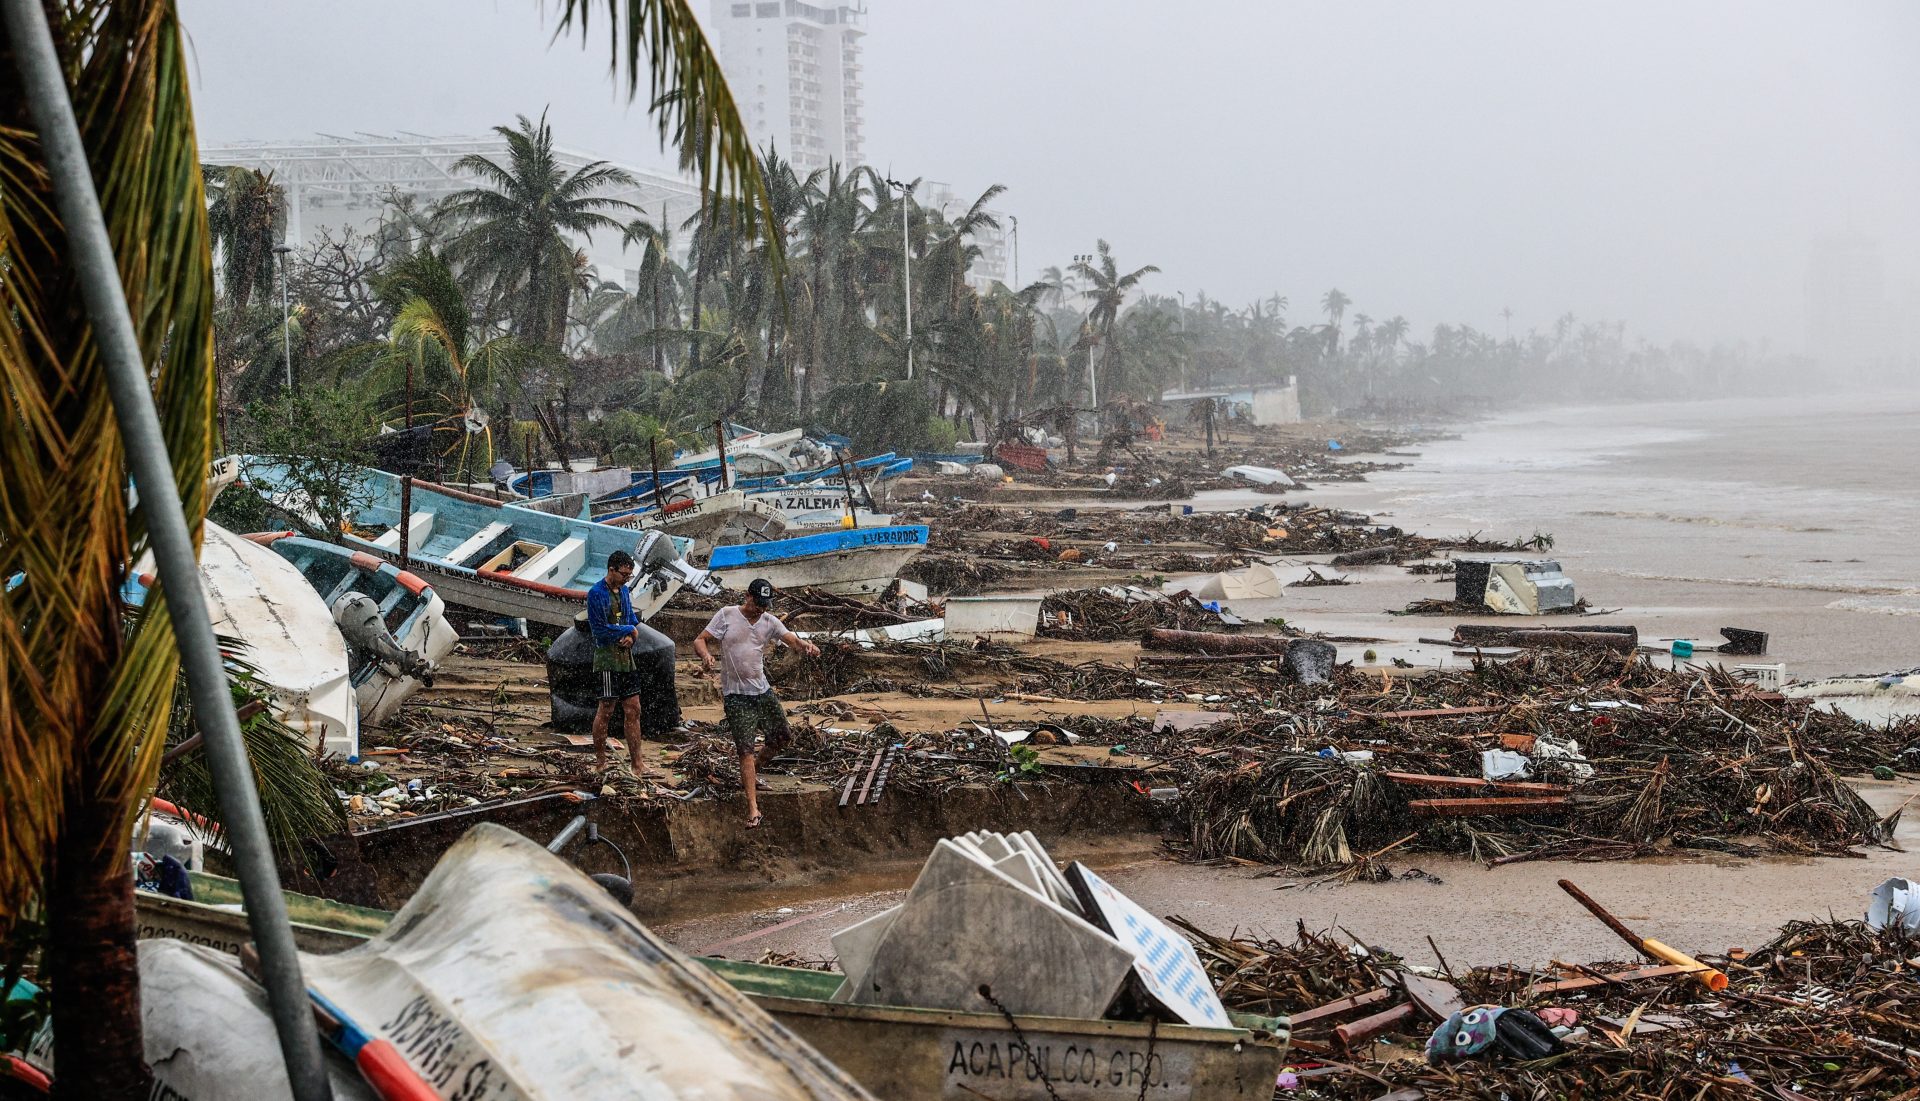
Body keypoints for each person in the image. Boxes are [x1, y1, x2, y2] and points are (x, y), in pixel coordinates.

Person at [693, 579, 819, 828]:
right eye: (758, 603)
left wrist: (806, 646)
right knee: (745, 750)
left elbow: (791, 639)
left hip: (761, 691)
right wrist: (706, 655)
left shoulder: (769, 621)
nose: (761, 609)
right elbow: (700, 639)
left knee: (781, 737)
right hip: (736, 696)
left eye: (765, 605)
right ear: (747, 596)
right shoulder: (727, 615)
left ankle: (751, 775)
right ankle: (753, 808)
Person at [586, 550, 649, 778]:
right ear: (611, 570)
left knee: (634, 709)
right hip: (607, 659)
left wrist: (632, 636)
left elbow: (631, 620)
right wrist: (627, 630)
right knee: (607, 709)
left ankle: (637, 763)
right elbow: (599, 630)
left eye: (629, 575)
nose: (625, 579)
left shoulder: (623, 592)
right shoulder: (596, 594)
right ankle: (601, 761)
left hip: (625, 659)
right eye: (623, 574)